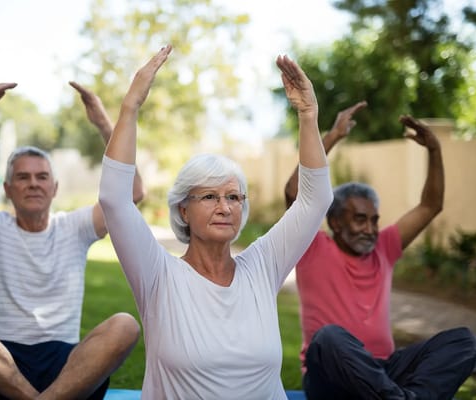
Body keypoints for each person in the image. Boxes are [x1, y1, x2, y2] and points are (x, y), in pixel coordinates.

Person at [98, 45, 333, 399]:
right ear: (183, 210)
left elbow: (315, 200)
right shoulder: (158, 276)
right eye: (209, 197)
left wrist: (308, 115)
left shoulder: (262, 268)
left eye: (234, 197)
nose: (224, 207)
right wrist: (130, 107)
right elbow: (114, 199)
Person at [0, 81, 142, 400]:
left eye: (42, 177)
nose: (33, 184)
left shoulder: (75, 227)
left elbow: (133, 193)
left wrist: (102, 123)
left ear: (54, 188)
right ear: (7, 188)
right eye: (23, 177)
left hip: (67, 368)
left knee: (125, 325)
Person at [284, 103, 476, 399]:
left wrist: (435, 150)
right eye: (359, 219)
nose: (370, 228)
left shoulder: (384, 247)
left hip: (383, 371)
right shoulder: (312, 246)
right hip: (330, 375)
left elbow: (430, 206)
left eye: (374, 220)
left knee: (464, 342)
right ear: (335, 222)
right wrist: (333, 136)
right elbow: (293, 191)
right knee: (328, 338)